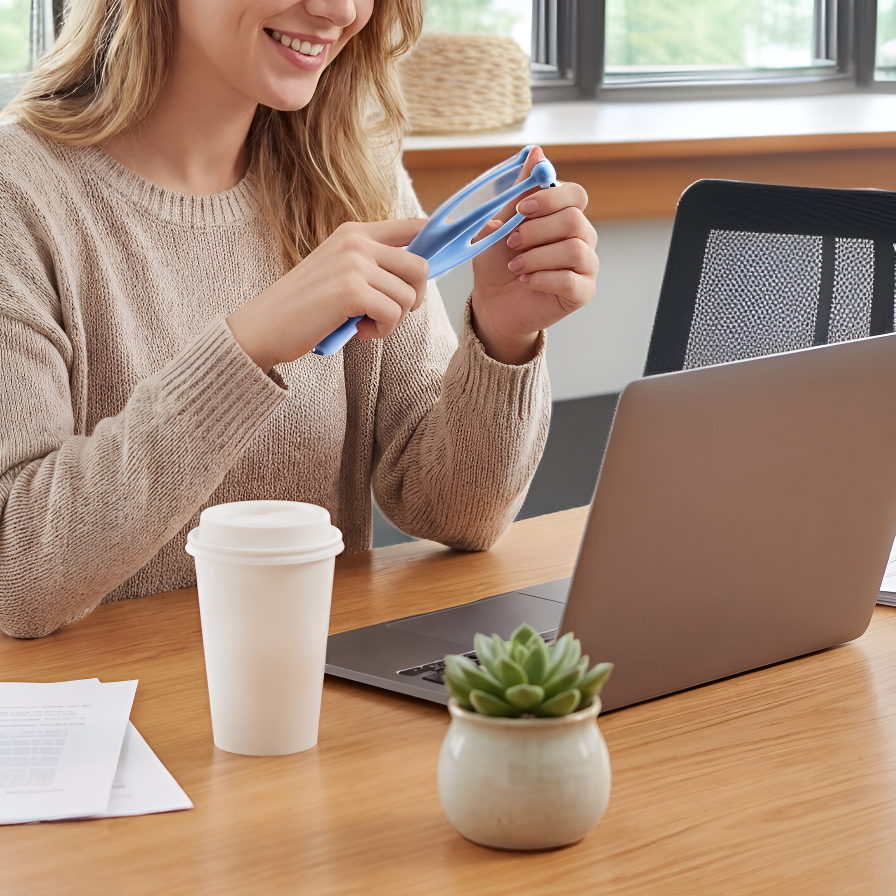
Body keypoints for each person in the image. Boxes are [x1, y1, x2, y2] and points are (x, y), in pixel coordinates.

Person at [0, 0, 599, 639]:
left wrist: (503, 339)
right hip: (116, 718)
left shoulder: (349, 176)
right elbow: (19, 577)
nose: (338, 10)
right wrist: (248, 347)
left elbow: (454, 512)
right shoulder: (21, 196)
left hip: (312, 699)